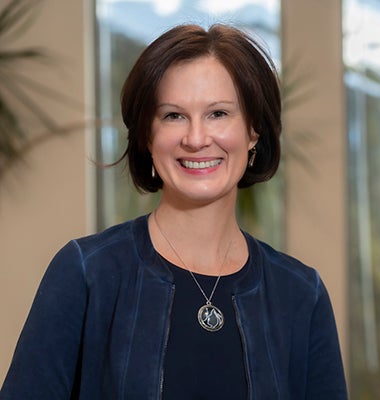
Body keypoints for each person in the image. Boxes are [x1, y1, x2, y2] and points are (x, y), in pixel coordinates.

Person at [0, 24, 348, 399]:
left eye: (218, 113)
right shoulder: (86, 273)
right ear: (147, 137)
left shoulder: (301, 294)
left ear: (253, 131)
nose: (196, 139)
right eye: (173, 116)